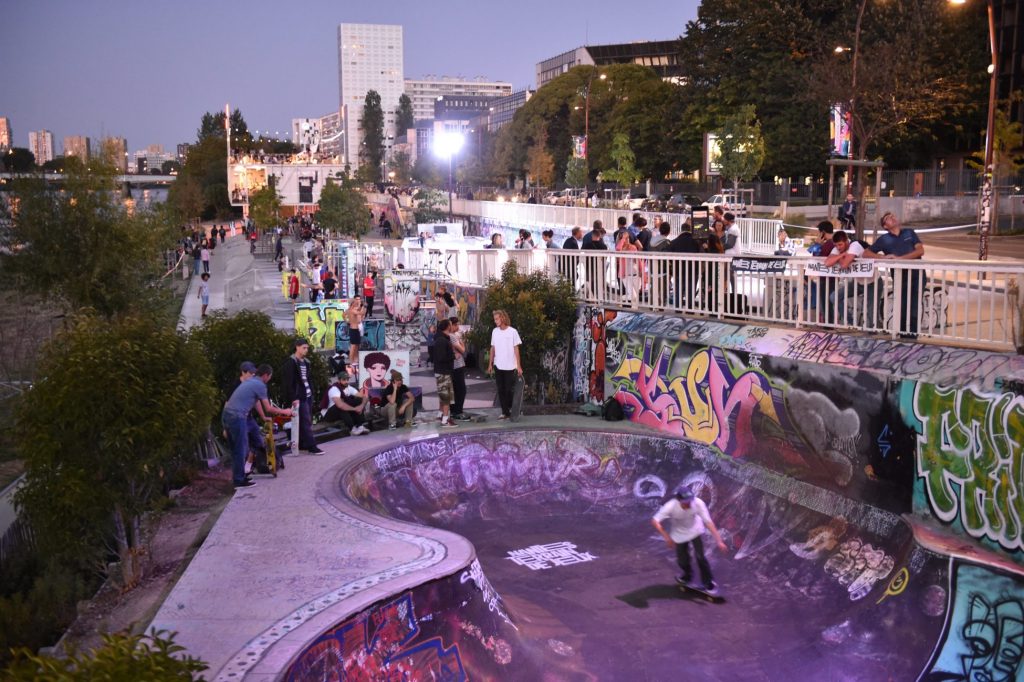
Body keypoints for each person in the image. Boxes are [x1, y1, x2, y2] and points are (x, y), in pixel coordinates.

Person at [222, 363, 292, 487]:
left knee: (240, 448)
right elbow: (269, 408)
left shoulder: (251, 382)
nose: (269, 379)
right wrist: (285, 411)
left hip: (227, 415)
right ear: (266, 375)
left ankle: (241, 475)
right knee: (240, 450)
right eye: (270, 376)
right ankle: (239, 480)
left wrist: (263, 417)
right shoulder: (260, 385)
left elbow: (256, 402)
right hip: (238, 417)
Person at [652, 487, 727, 591]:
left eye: (690, 501)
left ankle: (708, 583)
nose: (688, 504)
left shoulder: (698, 503)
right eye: (685, 502)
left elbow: (709, 523)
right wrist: (667, 537)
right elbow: (655, 521)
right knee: (682, 560)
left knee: (700, 557)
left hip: (696, 531)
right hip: (679, 534)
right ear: (678, 501)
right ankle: (687, 575)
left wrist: (719, 541)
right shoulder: (670, 506)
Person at [864, 212, 925, 338]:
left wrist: (900, 259)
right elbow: (866, 253)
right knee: (902, 304)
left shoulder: (909, 233)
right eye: (888, 218)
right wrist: (883, 257)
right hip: (900, 276)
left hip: (917, 274)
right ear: (885, 226)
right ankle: (903, 333)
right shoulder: (884, 240)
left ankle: (913, 335)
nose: (893, 218)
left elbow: (920, 250)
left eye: (893, 216)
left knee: (914, 304)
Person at [278, 338, 324, 455]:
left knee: (305, 421)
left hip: (307, 395)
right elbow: (289, 382)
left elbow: (308, 379)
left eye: (307, 348)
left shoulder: (306, 362)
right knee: (305, 421)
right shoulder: (291, 362)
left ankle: (304, 444)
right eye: (304, 348)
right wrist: (294, 397)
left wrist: (311, 392)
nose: (306, 350)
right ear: (297, 347)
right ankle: (312, 446)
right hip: (299, 397)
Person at [826, 230, 877, 326]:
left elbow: (844, 265)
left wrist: (839, 257)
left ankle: (872, 333)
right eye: (836, 245)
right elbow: (827, 263)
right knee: (834, 297)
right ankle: (851, 323)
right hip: (857, 282)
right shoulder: (838, 249)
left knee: (871, 310)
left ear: (846, 241)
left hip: (872, 282)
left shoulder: (855, 245)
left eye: (840, 245)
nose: (838, 247)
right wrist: (841, 255)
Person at [488, 309, 522, 421]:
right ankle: (504, 412)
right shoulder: (494, 331)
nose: (495, 321)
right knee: (500, 389)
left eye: (497, 319)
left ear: (502, 318)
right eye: (494, 319)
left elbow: (516, 349)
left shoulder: (513, 332)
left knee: (508, 390)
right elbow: (492, 348)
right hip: (498, 365)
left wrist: (519, 366)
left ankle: (513, 409)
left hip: (510, 366)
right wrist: (490, 364)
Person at [433, 319, 458, 427]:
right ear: (448, 327)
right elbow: (441, 357)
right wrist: (453, 356)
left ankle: (441, 414)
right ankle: (445, 420)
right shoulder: (442, 341)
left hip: (442, 371)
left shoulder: (441, 339)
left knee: (443, 396)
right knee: (446, 397)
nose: (453, 327)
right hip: (444, 372)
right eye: (451, 325)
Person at [448, 316, 468, 420]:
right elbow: (463, 350)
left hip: (457, 365)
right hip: (457, 366)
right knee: (461, 389)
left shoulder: (454, 335)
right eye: (456, 325)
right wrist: (462, 343)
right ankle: (457, 411)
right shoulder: (452, 336)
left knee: (456, 389)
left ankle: (455, 410)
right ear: (452, 325)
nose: (458, 327)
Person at [345, 295, 365, 370]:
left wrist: (347, 321)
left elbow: (343, 315)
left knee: (357, 345)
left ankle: (355, 360)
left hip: (357, 329)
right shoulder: (352, 310)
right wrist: (363, 307)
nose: (357, 302)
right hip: (353, 329)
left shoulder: (353, 309)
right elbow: (360, 313)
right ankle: (351, 362)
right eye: (355, 301)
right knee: (353, 346)